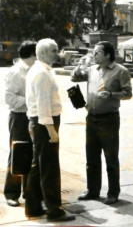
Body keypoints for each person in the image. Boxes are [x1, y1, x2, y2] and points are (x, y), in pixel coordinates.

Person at [72, 41, 132, 205]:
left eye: (97, 52)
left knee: (110, 157)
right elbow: (74, 78)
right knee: (91, 156)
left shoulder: (121, 71)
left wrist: (112, 94)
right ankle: (93, 190)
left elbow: (128, 93)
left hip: (109, 119)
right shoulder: (92, 69)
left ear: (107, 54)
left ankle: (113, 192)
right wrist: (78, 67)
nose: (94, 55)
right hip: (91, 117)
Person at [25, 38, 75, 221]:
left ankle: (34, 206)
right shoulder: (42, 73)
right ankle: (54, 210)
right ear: (43, 53)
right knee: (49, 168)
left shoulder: (42, 70)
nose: (58, 52)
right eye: (54, 50)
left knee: (38, 166)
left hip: (40, 122)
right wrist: (51, 130)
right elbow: (43, 105)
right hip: (45, 123)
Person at [3, 41, 37, 207]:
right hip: (20, 117)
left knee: (31, 154)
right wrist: (31, 101)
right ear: (32, 54)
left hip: (33, 116)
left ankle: (29, 191)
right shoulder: (16, 72)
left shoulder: (34, 70)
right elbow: (9, 98)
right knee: (17, 153)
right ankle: (11, 193)